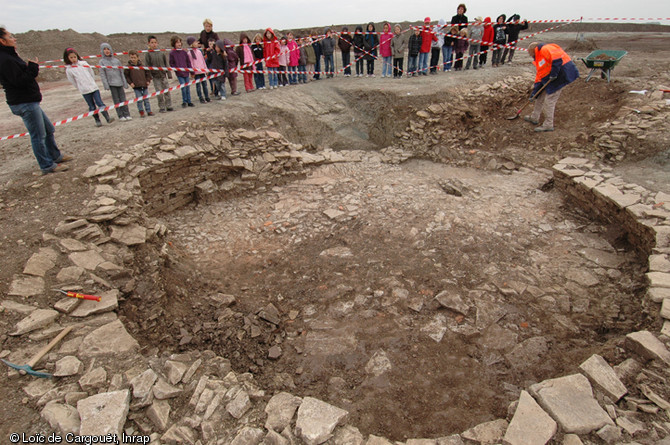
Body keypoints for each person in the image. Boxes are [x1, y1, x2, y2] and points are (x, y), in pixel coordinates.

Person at [0, 28, 71, 174]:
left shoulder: (9, 56)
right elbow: (19, 81)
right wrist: (32, 68)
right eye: (10, 36)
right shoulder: (5, 59)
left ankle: (55, 156)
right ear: (2, 41)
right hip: (24, 102)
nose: (14, 38)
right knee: (38, 135)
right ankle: (46, 165)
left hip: (28, 100)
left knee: (48, 129)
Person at [525, 42, 579, 132]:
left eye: (530, 54)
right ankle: (534, 117)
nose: (530, 56)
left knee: (549, 100)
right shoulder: (539, 58)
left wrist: (554, 74)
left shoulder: (545, 49)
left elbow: (557, 60)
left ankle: (548, 124)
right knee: (540, 97)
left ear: (533, 51)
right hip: (551, 77)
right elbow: (539, 77)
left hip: (561, 75)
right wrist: (534, 94)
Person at [64, 48, 115, 127]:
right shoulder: (69, 69)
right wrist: (80, 87)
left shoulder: (83, 63)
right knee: (91, 106)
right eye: (71, 57)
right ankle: (97, 120)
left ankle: (107, 117)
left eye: (74, 57)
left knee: (100, 103)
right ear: (67, 58)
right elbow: (72, 81)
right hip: (84, 90)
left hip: (93, 87)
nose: (73, 59)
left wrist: (92, 81)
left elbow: (91, 72)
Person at [99, 43, 131, 121]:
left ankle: (127, 114)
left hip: (119, 83)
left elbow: (121, 72)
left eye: (108, 49)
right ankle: (120, 115)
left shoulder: (116, 61)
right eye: (104, 49)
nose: (106, 51)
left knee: (123, 99)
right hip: (112, 84)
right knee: (116, 100)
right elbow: (102, 74)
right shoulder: (102, 62)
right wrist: (106, 84)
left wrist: (124, 83)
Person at [145, 35, 174, 112]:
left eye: (155, 42)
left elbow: (166, 63)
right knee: (159, 92)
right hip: (155, 77)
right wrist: (149, 76)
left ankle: (169, 105)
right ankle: (162, 107)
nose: (154, 44)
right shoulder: (148, 54)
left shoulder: (161, 53)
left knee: (167, 91)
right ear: (149, 44)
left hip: (163, 75)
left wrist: (169, 74)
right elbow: (147, 65)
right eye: (152, 43)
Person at [125, 49, 153, 116]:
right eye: (131, 58)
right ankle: (141, 112)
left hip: (144, 85)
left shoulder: (142, 66)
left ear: (138, 57)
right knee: (139, 100)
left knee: (146, 99)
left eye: (134, 57)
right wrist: (130, 83)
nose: (133, 59)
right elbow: (126, 76)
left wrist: (148, 80)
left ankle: (148, 111)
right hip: (136, 86)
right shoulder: (128, 67)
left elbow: (148, 73)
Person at [169, 36, 194, 107]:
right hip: (179, 74)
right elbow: (171, 63)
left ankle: (189, 101)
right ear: (174, 44)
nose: (179, 44)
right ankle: (184, 101)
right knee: (183, 87)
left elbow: (188, 62)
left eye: (179, 42)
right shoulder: (172, 53)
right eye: (177, 42)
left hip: (186, 73)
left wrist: (191, 72)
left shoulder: (184, 52)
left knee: (187, 87)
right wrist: (176, 69)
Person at [186, 36, 210, 103]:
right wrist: (192, 72)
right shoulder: (189, 53)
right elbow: (190, 64)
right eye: (195, 42)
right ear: (191, 43)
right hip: (196, 73)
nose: (197, 43)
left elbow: (203, 61)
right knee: (198, 86)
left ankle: (207, 97)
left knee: (205, 85)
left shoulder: (199, 51)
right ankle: (201, 98)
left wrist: (206, 69)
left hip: (202, 71)